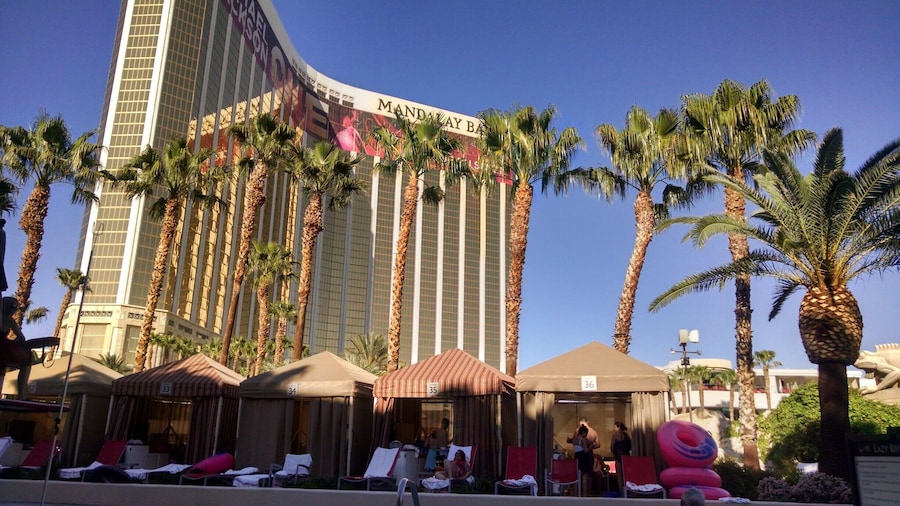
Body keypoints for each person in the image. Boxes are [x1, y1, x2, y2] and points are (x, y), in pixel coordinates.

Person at [1, 296, 30, 399]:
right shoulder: (9, 320)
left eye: (16, 307)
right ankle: (21, 394)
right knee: (26, 361)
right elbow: (21, 338)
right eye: (13, 306)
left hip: (3, 349)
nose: (14, 310)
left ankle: (21, 394)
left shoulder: (9, 320)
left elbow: (21, 338)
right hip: (2, 350)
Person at [572, 424, 593, 495]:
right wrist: (590, 447)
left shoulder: (575, 439)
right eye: (586, 433)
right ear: (583, 432)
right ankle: (584, 494)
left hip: (576, 456)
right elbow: (586, 451)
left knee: (576, 476)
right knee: (584, 475)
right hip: (583, 457)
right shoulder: (583, 439)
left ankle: (576, 493)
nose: (586, 435)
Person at [610, 421, 632, 491]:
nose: (613, 429)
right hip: (626, 456)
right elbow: (630, 446)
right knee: (626, 474)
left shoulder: (615, 435)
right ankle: (627, 489)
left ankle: (621, 491)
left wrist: (614, 454)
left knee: (619, 475)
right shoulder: (627, 435)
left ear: (618, 427)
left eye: (614, 427)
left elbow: (612, 447)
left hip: (618, 456)